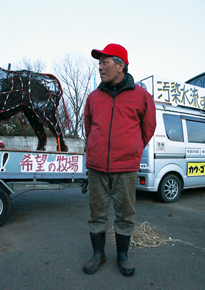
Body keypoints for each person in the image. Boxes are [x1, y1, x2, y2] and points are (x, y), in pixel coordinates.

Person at [83, 43, 156, 276]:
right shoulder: (93, 97)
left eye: (105, 62)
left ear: (120, 65)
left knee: (125, 213)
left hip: (125, 167)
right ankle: (99, 254)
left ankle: (123, 256)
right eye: (99, 63)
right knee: (97, 214)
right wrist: (96, 147)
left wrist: (132, 149)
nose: (100, 67)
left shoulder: (141, 96)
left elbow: (148, 128)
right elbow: (88, 127)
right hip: (97, 167)